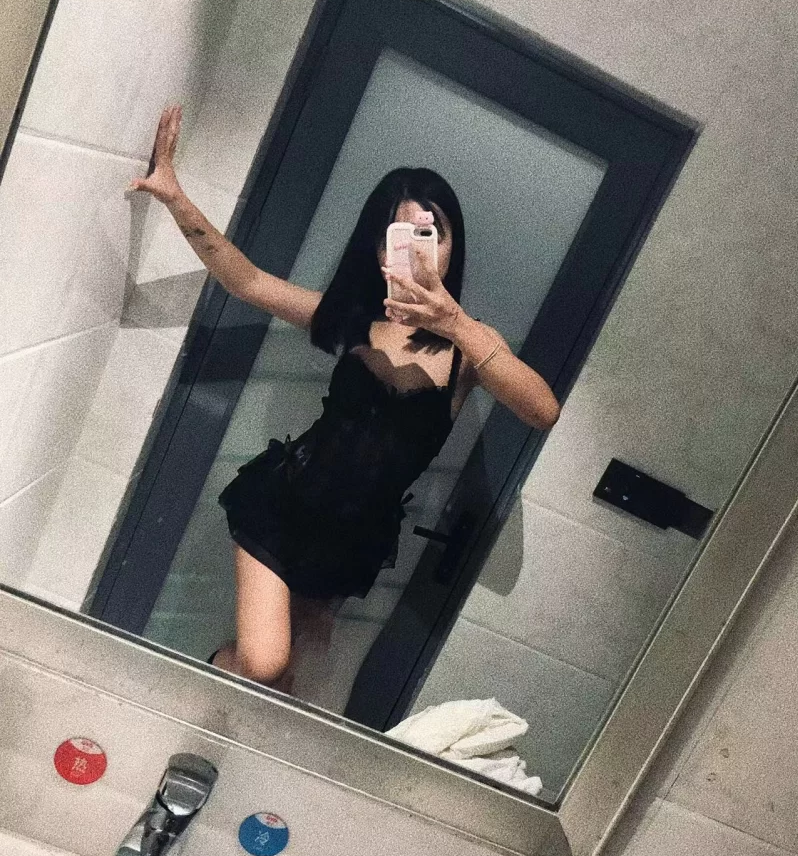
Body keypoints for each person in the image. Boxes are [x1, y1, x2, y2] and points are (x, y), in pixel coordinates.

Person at [129, 105, 561, 693]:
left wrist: (455, 322)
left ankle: (212, 720)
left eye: (430, 234)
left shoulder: (472, 348)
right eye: (397, 237)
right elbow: (246, 281)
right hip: (283, 507)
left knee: (292, 682)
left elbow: (542, 411)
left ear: (452, 246)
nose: (415, 252)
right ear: (379, 251)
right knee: (263, 664)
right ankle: (208, 675)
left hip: (351, 543)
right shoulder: (354, 318)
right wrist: (175, 196)